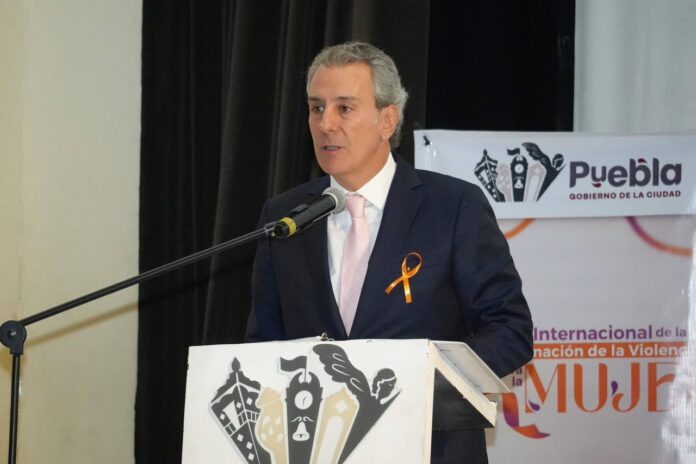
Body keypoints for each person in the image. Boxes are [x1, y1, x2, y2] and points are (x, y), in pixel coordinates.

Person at [245, 41, 533, 464]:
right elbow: (263, 343)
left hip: (431, 447)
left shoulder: (453, 207)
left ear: (388, 119)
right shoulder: (285, 216)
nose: (325, 124)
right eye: (316, 108)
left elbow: (509, 330)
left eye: (344, 108)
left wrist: (421, 379)